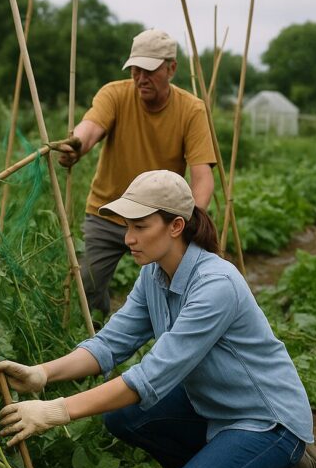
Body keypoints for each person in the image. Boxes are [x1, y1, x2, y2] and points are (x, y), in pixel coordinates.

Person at [0, 170, 316, 468]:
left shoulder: (215, 285)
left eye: (140, 226)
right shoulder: (155, 275)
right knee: (122, 416)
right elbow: (110, 344)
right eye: (127, 226)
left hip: (265, 421)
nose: (128, 238)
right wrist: (42, 374)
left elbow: (149, 378)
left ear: (176, 225)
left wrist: (55, 411)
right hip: (212, 406)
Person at [58, 28, 216, 320]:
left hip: (158, 219)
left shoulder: (190, 110)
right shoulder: (115, 95)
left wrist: (190, 220)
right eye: (135, 69)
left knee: (168, 294)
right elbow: (91, 128)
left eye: (149, 70)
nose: (141, 78)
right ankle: (93, 335)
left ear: (171, 68)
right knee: (88, 286)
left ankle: (165, 343)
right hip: (108, 211)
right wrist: (76, 147)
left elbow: (202, 177)